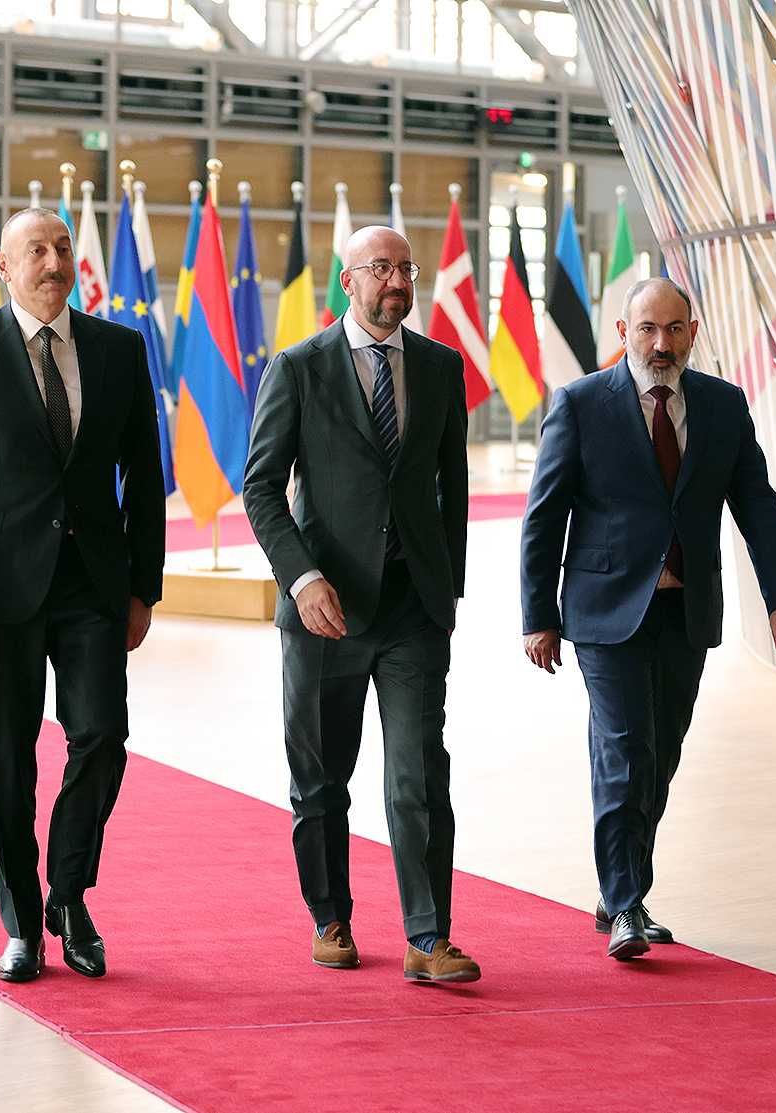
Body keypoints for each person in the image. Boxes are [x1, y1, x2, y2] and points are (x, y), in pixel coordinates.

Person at [0, 208, 165, 984]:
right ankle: (23, 923)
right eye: (37, 252)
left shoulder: (120, 349)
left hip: (93, 583)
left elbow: (146, 478)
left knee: (102, 738)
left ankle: (68, 892)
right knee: (6, 759)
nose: (55, 263)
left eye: (62, 249)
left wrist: (143, 588)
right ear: (4, 266)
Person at [520, 277, 776, 961]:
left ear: (693, 333)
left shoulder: (724, 406)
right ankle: (626, 902)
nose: (661, 342)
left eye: (674, 329)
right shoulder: (581, 404)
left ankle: (618, 886)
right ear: (624, 332)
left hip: (687, 609)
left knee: (661, 756)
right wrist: (538, 615)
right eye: (647, 328)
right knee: (626, 751)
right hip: (603, 613)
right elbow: (544, 515)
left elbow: (757, 506)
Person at [244, 225, 478, 984]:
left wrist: (448, 592)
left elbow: (452, 492)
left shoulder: (442, 368)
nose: (398, 281)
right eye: (381, 268)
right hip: (326, 610)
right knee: (320, 778)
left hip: (413, 608)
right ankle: (330, 916)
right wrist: (302, 579)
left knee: (418, 772)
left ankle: (429, 935)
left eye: (407, 268)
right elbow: (260, 486)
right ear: (348, 281)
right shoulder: (298, 368)